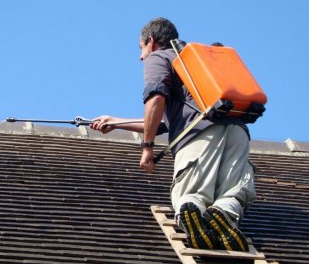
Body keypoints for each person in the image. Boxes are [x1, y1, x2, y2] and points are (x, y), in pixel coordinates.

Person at [89, 17, 256, 252]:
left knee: (191, 195)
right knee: (231, 194)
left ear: (151, 41)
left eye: (141, 49)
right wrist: (116, 123)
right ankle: (224, 216)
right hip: (237, 131)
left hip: (200, 137)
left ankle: (195, 214)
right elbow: (164, 122)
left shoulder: (160, 57)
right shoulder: (196, 64)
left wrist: (147, 148)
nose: (141, 56)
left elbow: (156, 100)